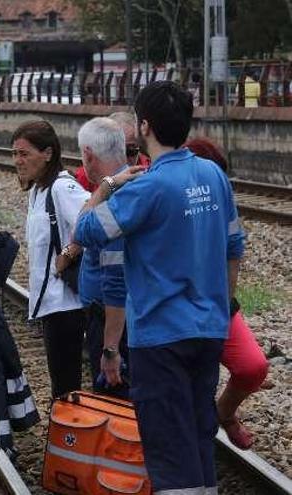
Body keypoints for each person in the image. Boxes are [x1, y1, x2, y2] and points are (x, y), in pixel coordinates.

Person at [75, 81, 245, 494]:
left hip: (160, 335)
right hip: (208, 329)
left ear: (145, 126)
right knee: (199, 433)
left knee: (169, 446)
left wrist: (106, 187)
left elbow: (86, 230)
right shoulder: (212, 175)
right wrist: (220, 306)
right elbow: (233, 247)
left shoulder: (145, 188)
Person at [185, 137, 269, 449]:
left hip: (217, 303)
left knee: (253, 366)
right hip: (175, 309)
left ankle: (225, 412)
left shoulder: (220, 206)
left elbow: (234, 251)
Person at [12, 120, 90, 399]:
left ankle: (68, 437)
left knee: (66, 385)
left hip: (66, 304)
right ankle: (66, 436)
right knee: (61, 382)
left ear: (47, 153)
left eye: (25, 153)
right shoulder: (37, 191)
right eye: (15, 154)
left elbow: (94, 220)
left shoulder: (61, 187)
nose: (18, 160)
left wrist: (69, 253)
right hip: (51, 305)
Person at [75, 117, 130, 397]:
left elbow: (115, 278)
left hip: (111, 320)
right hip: (114, 316)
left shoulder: (114, 195)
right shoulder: (131, 183)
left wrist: (111, 348)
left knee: (114, 399)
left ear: (87, 154)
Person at [74, 112, 150, 192]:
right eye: (115, 150)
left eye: (130, 150)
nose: (122, 160)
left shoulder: (149, 169)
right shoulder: (85, 177)